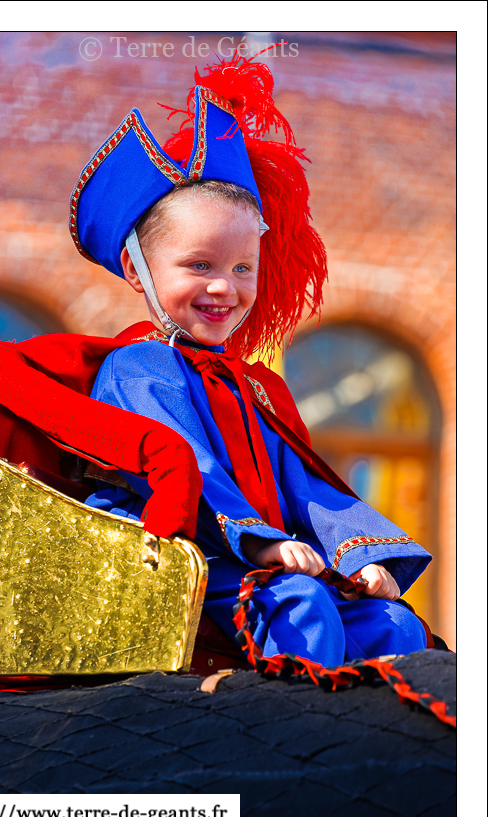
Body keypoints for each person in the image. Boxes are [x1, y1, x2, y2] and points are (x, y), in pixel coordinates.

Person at [71, 55, 430, 667]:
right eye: (199, 265)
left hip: (272, 563)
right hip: (180, 561)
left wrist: (362, 553)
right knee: (300, 606)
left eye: (243, 268)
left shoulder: (252, 388)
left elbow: (303, 484)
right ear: (137, 269)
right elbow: (184, 466)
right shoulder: (138, 370)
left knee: (394, 625)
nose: (225, 288)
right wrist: (260, 543)